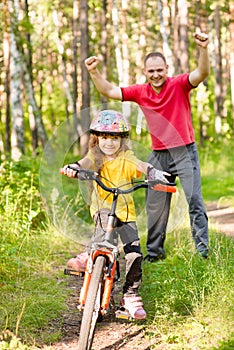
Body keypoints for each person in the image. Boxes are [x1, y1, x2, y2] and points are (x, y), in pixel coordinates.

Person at [84, 32, 210, 260]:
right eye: (151, 71)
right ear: (145, 72)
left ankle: (202, 251)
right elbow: (109, 91)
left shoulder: (179, 84)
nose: (156, 75)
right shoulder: (141, 92)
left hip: (184, 152)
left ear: (166, 69)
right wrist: (94, 72)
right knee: (156, 205)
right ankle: (154, 254)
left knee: (194, 200)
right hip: (159, 155)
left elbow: (202, 73)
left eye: (159, 70)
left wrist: (203, 48)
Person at [61, 109, 168, 320]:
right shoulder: (95, 156)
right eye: (104, 137)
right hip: (103, 209)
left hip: (126, 214)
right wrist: (74, 167)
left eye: (115, 138)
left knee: (134, 254)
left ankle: (130, 295)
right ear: (96, 139)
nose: (109, 143)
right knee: (102, 235)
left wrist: (152, 172)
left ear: (122, 140)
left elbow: (140, 165)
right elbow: (85, 163)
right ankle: (87, 255)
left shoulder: (127, 158)